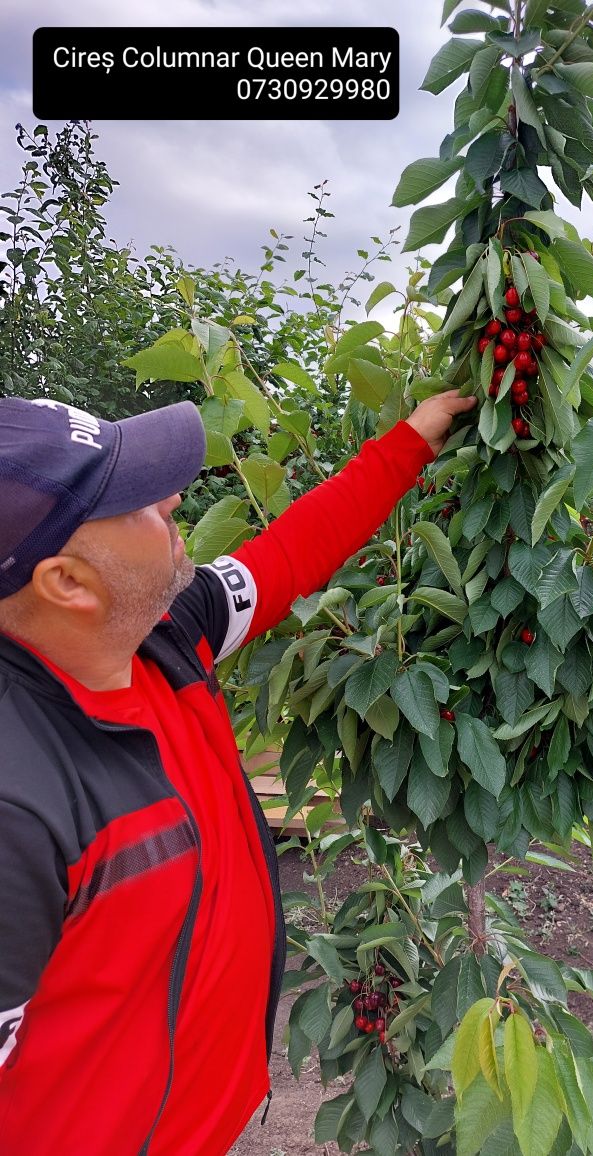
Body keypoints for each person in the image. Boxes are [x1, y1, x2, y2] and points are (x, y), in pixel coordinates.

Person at [0, 387, 475, 1155]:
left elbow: (290, 551)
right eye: (136, 505)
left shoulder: (163, 636)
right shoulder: (16, 802)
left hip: (212, 1126)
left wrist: (414, 438)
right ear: (68, 583)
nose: (175, 498)